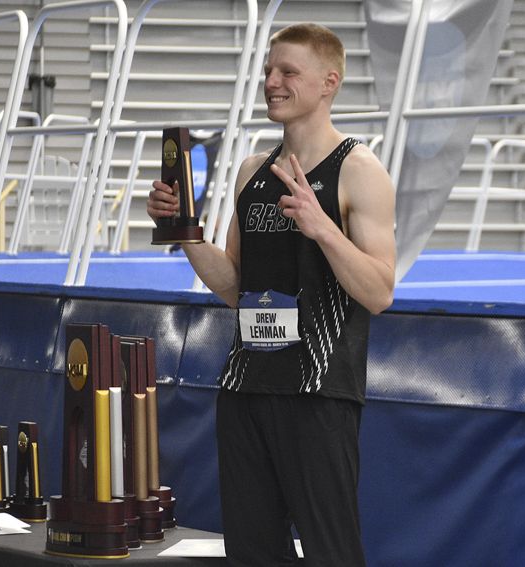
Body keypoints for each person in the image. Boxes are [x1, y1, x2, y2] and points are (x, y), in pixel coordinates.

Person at [148, 23, 395, 566]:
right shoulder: (252, 172)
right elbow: (236, 286)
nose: (272, 83)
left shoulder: (359, 169)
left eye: (288, 72)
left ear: (329, 82)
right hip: (246, 387)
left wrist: (323, 227)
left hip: (319, 393)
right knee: (253, 554)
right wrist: (184, 230)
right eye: (268, 72)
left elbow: (380, 292)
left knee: (332, 552)